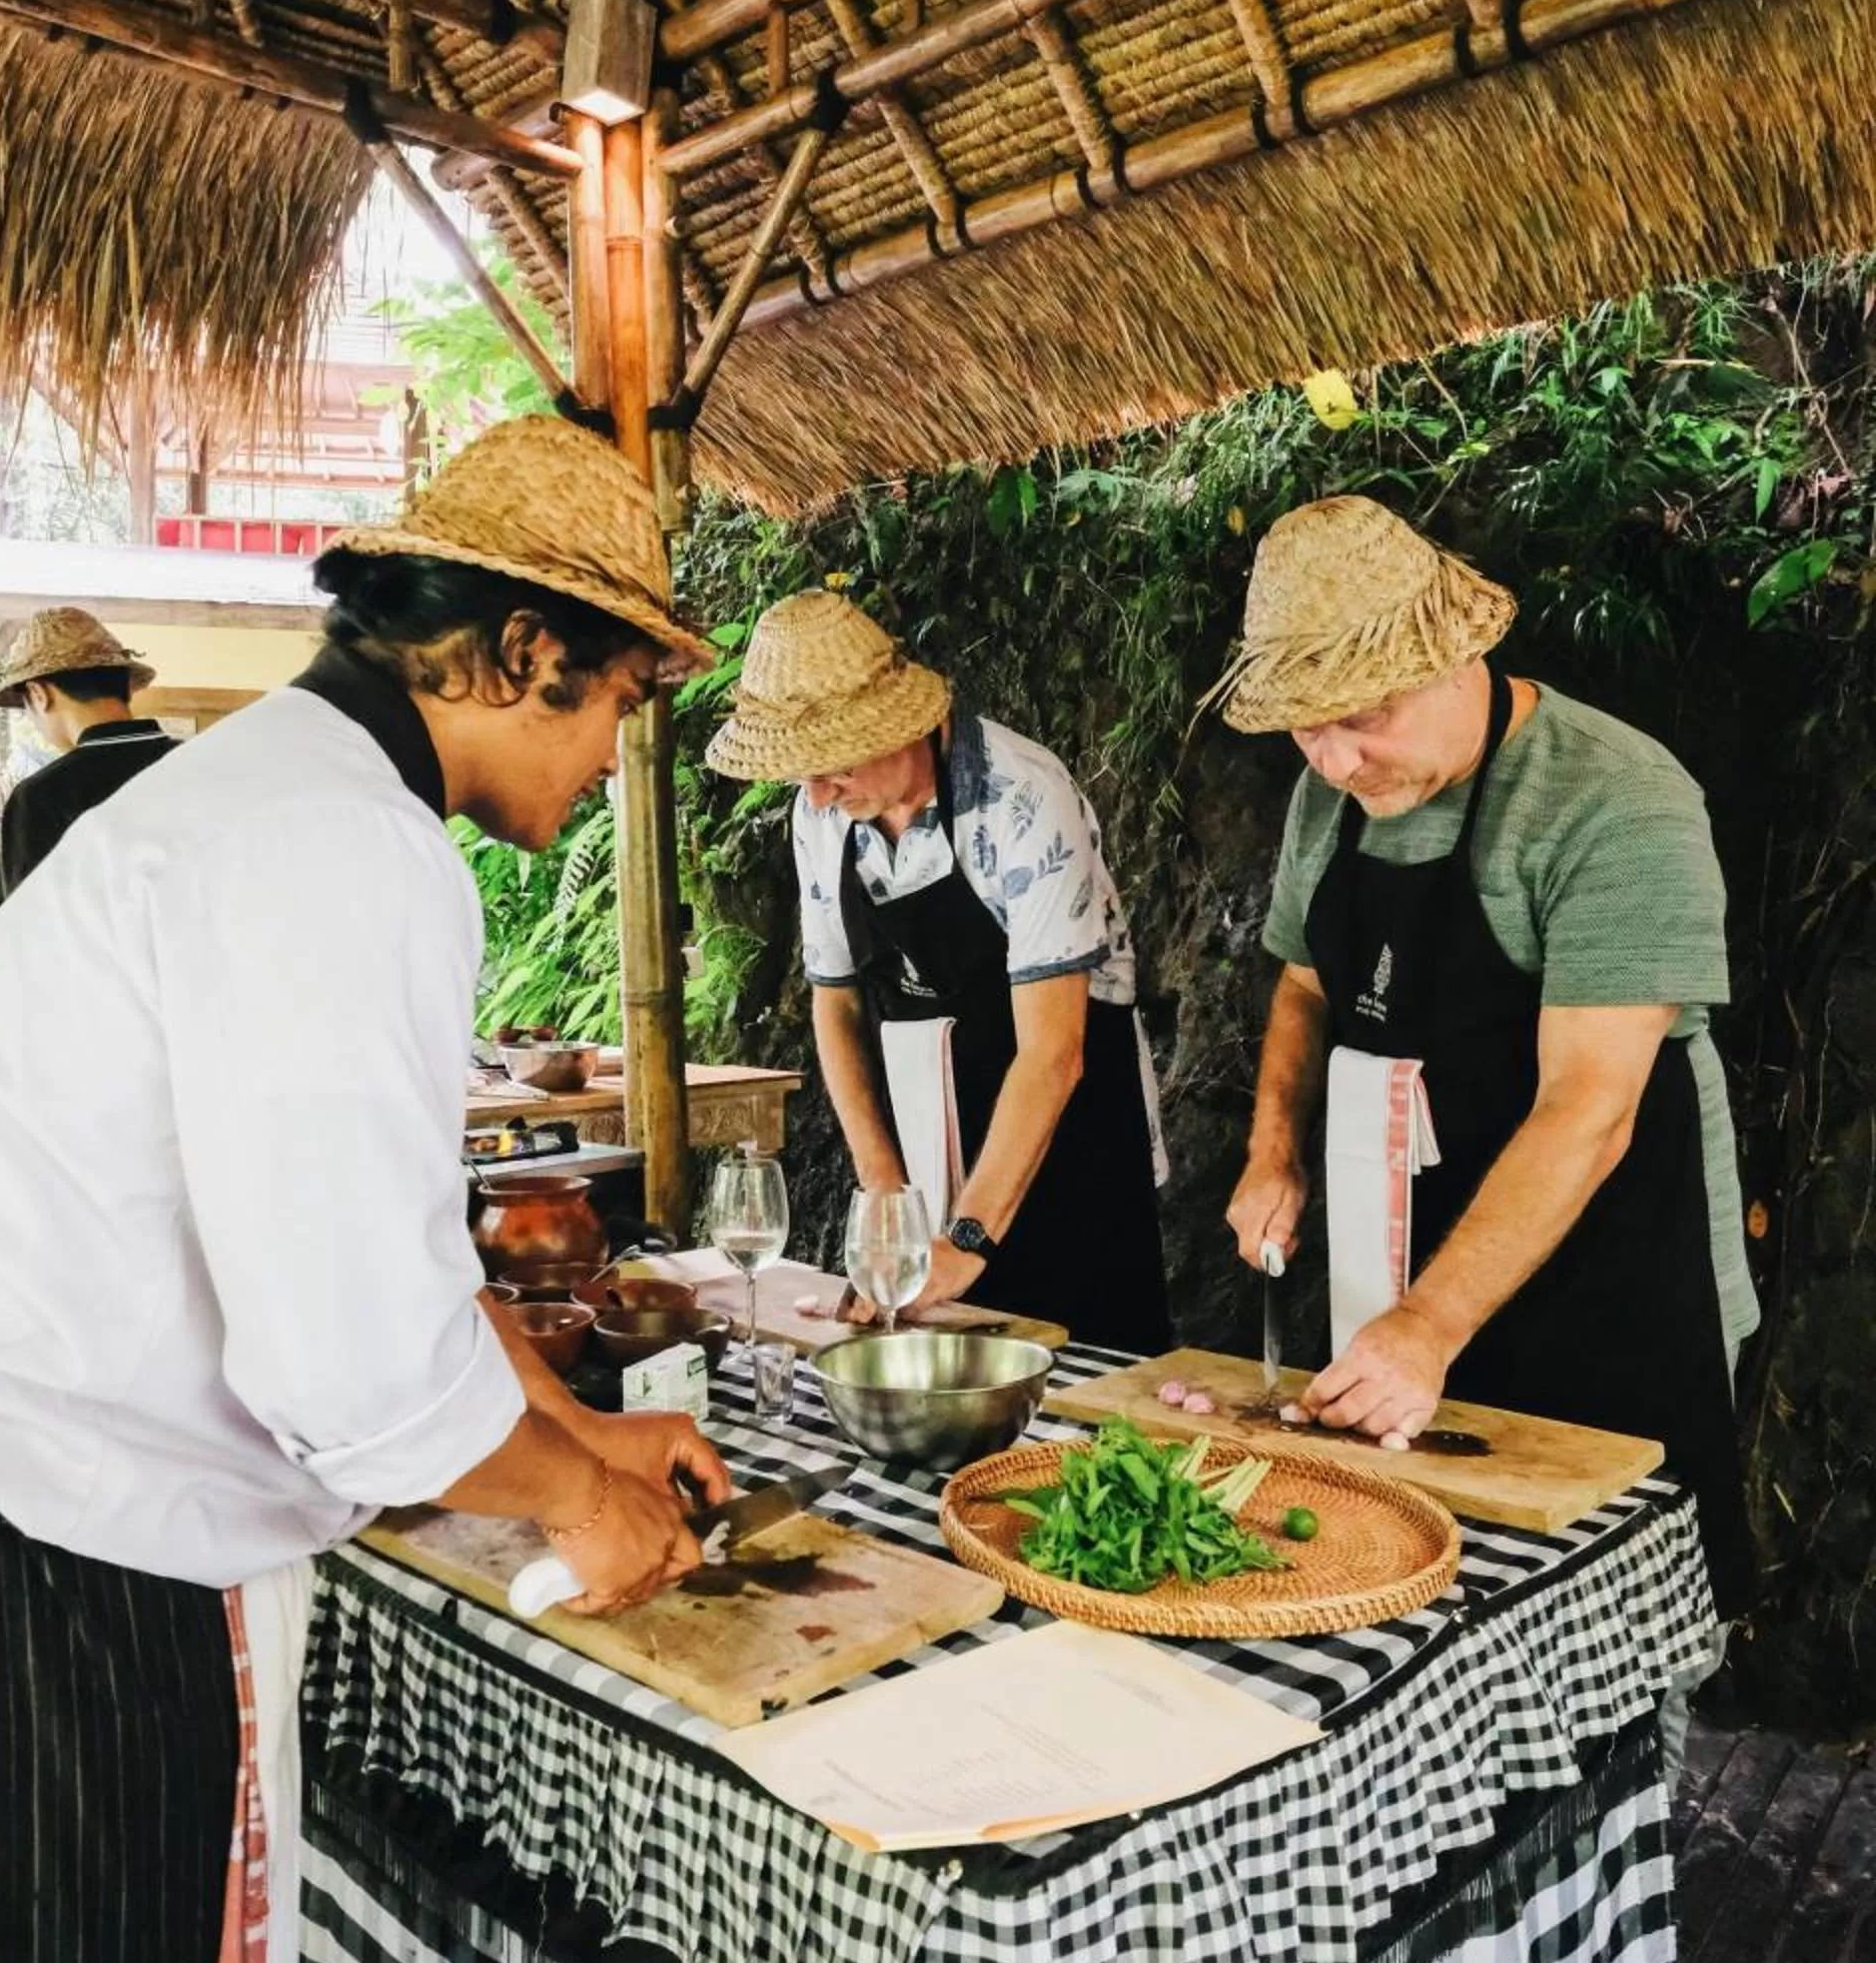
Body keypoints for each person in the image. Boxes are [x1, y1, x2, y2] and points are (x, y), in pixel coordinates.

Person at [0, 417, 729, 1963]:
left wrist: (584, 1430)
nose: (610, 753)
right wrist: (584, 1507)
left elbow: (392, 1260)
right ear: (518, 650)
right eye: (613, 700)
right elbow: (354, 1368)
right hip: (50, 1547)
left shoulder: (275, 796)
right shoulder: (338, 848)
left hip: (9, 1501)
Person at [1217, 492, 1754, 1622]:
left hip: (1605, 1287)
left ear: (1459, 656)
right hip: (1397, 1276)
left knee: (1600, 1634)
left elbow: (1588, 1109)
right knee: (1405, 1611)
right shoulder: (1331, 795)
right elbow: (1303, 985)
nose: (1334, 755)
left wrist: (1429, 1325)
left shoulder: (1612, 800)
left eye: (1362, 715)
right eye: (1304, 727)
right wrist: (1274, 1151)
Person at [707, 590, 1169, 1351]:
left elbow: (1054, 1054)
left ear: (903, 729)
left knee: (1091, 1371)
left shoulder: (1021, 797)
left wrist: (967, 1239)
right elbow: (837, 1005)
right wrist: (885, 1191)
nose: (818, 794)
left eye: (832, 766)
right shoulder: (822, 810)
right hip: (930, 1130)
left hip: (1068, 1127)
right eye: (802, 775)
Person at [0, 605, 179, 888]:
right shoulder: (195, 763)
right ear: (126, 688)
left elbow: (33, 922)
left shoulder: (43, 797)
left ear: (39, 695)